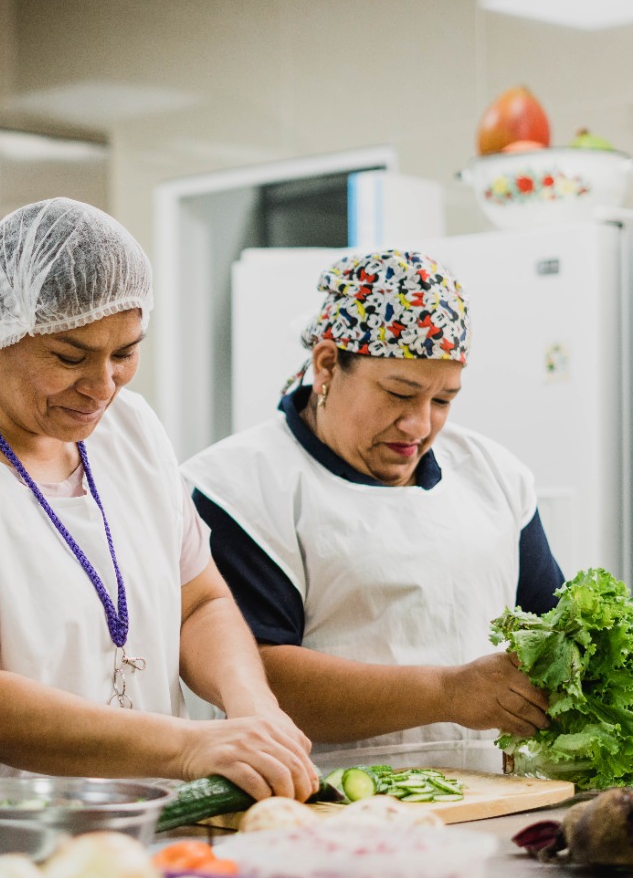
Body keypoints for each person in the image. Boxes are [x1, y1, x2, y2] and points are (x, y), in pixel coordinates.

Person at [0, 198, 317, 849]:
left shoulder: (132, 433)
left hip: (146, 829)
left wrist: (253, 707)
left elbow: (200, 602)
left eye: (126, 353)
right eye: (70, 357)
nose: (103, 386)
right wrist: (192, 746)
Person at [182, 249, 561, 772]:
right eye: (399, 393)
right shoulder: (236, 488)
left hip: (488, 799)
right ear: (327, 365)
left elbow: (551, 630)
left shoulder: (496, 476)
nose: (419, 425)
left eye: (443, 400)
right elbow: (253, 675)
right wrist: (448, 692)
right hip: (316, 805)